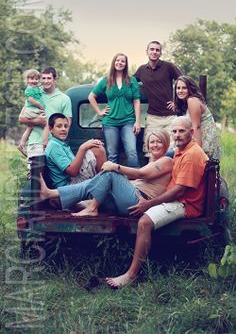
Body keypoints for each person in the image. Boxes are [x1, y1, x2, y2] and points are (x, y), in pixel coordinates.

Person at [105, 116, 209, 288]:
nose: (177, 135)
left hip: (186, 204)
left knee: (144, 222)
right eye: (174, 131)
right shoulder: (181, 150)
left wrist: (149, 204)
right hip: (177, 198)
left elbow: (179, 191)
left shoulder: (192, 155)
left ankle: (131, 275)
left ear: (191, 132)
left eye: (181, 131)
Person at [40, 129, 173, 217]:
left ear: (166, 145)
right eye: (152, 142)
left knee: (110, 173)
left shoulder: (166, 160)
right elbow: (137, 177)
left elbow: (141, 174)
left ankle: (91, 208)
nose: (155, 145)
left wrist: (115, 167)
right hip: (129, 199)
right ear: (148, 145)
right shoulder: (153, 162)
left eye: (159, 142)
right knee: (98, 182)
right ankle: (53, 195)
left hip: (139, 201)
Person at [88, 53, 141, 167]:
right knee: (112, 154)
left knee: (132, 152)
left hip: (128, 121)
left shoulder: (131, 80)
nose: (120, 63)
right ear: (114, 62)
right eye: (117, 60)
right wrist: (99, 111)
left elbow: (136, 100)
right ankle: (113, 180)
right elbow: (91, 96)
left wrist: (138, 121)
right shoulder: (106, 80)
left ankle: (136, 180)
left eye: (122, 61)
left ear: (126, 64)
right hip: (110, 122)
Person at [134, 40, 182, 154]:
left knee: (172, 151)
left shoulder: (168, 66)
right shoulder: (141, 70)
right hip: (153, 117)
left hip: (170, 116)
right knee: (150, 151)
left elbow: (183, 81)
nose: (154, 52)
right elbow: (128, 82)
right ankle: (150, 171)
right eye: (152, 49)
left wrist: (176, 101)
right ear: (147, 52)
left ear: (160, 53)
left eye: (157, 50)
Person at [18, 67, 72, 158]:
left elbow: (68, 123)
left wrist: (60, 141)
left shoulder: (64, 98)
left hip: (55, 144)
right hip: (35, 144)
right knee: (36, 172)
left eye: (49, 78)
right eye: (43, 78)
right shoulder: (35, 92)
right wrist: (37, 121)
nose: (46, 81)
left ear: (55, 79)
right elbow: (21, 118)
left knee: (54, 172)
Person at [45, 113, 107, 188]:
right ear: (50, 129)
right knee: (98, 149)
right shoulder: (53, 146)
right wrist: (83, 148)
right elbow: (72, 172)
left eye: (66, 126)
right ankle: (104, 186)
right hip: (68, 185)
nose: (63, 129)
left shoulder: (60, 144)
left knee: (96, 147)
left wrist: (89, 145)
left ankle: (103, 185)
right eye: (59, 126)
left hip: (73, 179)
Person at [174, 75, 221, 160]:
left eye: (184, 88)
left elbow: (197, 127)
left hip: (205, 145)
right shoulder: (189, 101)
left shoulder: (192, 100)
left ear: (190, 89)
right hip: (199, 143)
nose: (180, 91)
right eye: (178, 88)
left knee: (169, 155)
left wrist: (198, 153)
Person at [18, 69, 49, 157]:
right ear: (27, 80)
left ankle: (22, 143)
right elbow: (31, 100)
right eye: (32, 79)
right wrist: (40, 106)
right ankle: (44, 143)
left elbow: (40, 89)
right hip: (32, 110)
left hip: (32, 110)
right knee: (46, 123)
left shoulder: (35, 88)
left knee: (30, 127)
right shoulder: (29, 89)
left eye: (36, 79)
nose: (34, 81)